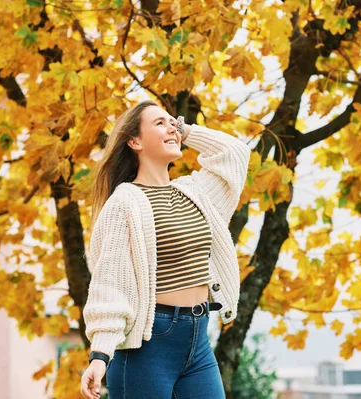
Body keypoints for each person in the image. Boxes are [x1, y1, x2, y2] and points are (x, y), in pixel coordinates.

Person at [80, 100, 251, 399]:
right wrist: (100, 353)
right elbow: (110, 285)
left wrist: (185, 131)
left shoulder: (195, 192)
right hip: (148, 346)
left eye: (172, 121)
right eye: (159, 123)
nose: (171, 126)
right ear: (134, 141)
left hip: (198, 339)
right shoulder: (125, 203)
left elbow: (235, 154)